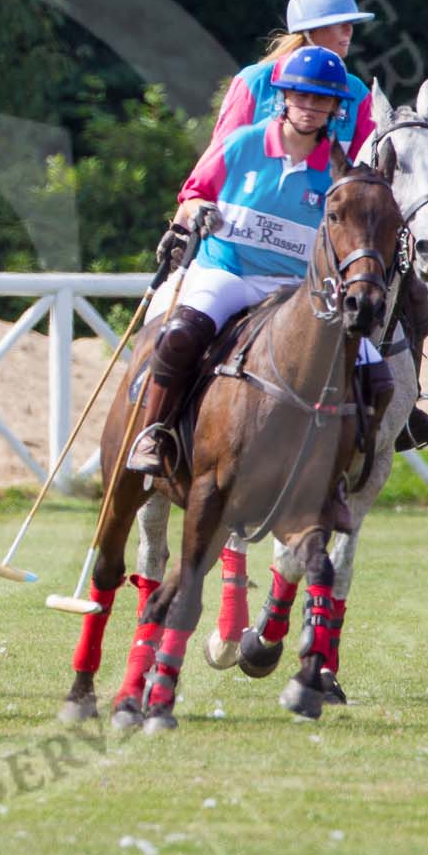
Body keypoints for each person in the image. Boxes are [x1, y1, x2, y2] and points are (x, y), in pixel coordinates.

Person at [126, 45, 393, 515]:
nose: (310, 108)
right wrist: (192, 213)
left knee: (376, 372)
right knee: (181, 334)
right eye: (301, 97)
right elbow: (192, 194)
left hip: (293, 290)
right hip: (229, 271)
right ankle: (156, 432)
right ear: (284, 98)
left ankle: (340, 472)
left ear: (336, 108)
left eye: (322, 101)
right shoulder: (243, 143)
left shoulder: (339, 167)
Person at [196, 0, 428, 451]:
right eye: (340, 25)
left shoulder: (355, 91)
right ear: (310, 30)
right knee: (188, 333)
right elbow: (223, 150)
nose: (348, 35)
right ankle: (161, 421)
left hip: (318, 241)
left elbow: (360, 165)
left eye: (351, 27)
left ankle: (406, 408)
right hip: (239, 242)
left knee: (408, 293)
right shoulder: (255, 80)